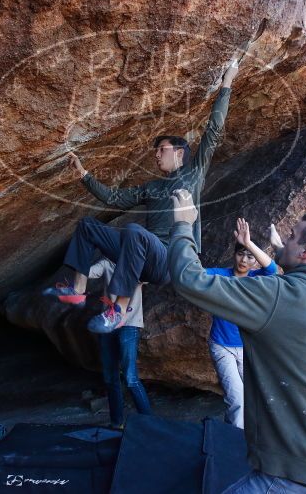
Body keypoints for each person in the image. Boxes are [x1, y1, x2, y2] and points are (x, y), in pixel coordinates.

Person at [169, 189, 306, 494]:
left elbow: (188, 278)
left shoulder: (278, 295)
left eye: (291, 237)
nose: (284, 240)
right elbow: (293, 281)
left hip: (304, 476)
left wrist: (183, 224)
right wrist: (283, 252)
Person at [43, 61, 239, 334]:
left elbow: (214, 130)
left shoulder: (194, 173)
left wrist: (227, 81)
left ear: (180, 152)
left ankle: (119, 310)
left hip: (169, 260)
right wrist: (83, 174)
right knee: (88, 226)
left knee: (135, 231)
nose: (156, 155)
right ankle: (77, 289)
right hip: (141, 255)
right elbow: (113, 198)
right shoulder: (151, 187)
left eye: (162, 149)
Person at [206, 218, 282, 429]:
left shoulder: (258, 278)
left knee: (256, 395)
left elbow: (272, 269)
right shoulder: (221, 276)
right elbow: (195, 274)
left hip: (249, 347)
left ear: (255, 261)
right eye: (240, 253)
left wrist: (248, 243)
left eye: (249, 257)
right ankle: (235, 442)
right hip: (222, 346)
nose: (244, 260)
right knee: (237, 398)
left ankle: (249, 434)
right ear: (233, 255)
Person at [88, 258, 151, 428]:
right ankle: (117, 423)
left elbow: (149, 275)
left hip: (129, 323)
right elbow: (90, 272)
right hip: (108, 324)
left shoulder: (136, 262)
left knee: (130, 377)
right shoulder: (107, 263)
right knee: (110, 376)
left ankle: (151, 424)